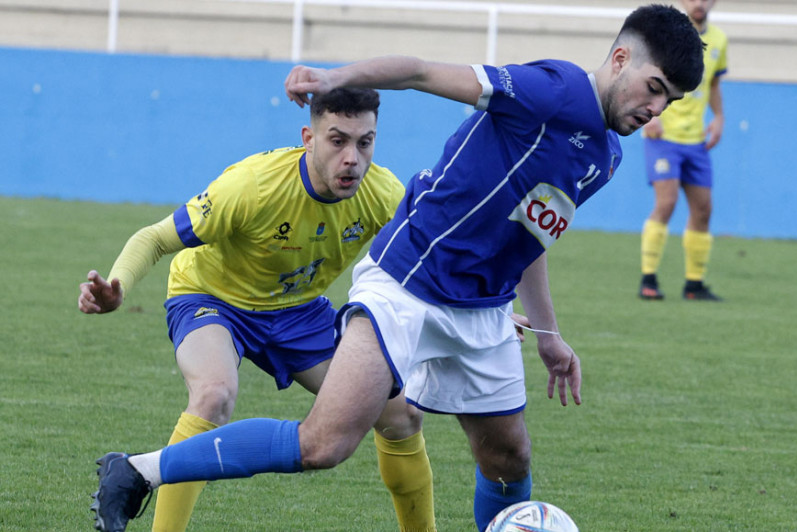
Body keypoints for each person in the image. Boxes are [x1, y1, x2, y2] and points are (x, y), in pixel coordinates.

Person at [88, 5, 704, 532]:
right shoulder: (554, 90)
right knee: (324, 445)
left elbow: (529, 238)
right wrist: (333, 77)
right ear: (620, 59)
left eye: (670, 100)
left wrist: (548, 334)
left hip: (481, 310)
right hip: (407, 286)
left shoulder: (606, 155)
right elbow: (418, 71)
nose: (658, 106)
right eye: (654, 87)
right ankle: (139, 469)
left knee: (508, 458)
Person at [79, 88, 436, 532]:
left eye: (365, 143)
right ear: (308, 137)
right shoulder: (253, 186)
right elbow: (153, 239)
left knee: (400, 414)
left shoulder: (382, 193)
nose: (352, 158)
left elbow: (430, 260)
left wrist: (491, 313)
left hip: (300, 311)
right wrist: (117, 285)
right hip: (212, 299)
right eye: (337, 140)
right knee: (214, 394)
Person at [638, 0, 728, 301]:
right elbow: (644, 73)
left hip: (696, 139)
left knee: (704, 210)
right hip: (663, 135)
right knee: (667, 202)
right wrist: (649, 114)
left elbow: (713, 83)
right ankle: (648, 279)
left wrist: (718, 117)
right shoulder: (666, 33)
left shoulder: (719, 39)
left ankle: (694, 284)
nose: (699, 2)